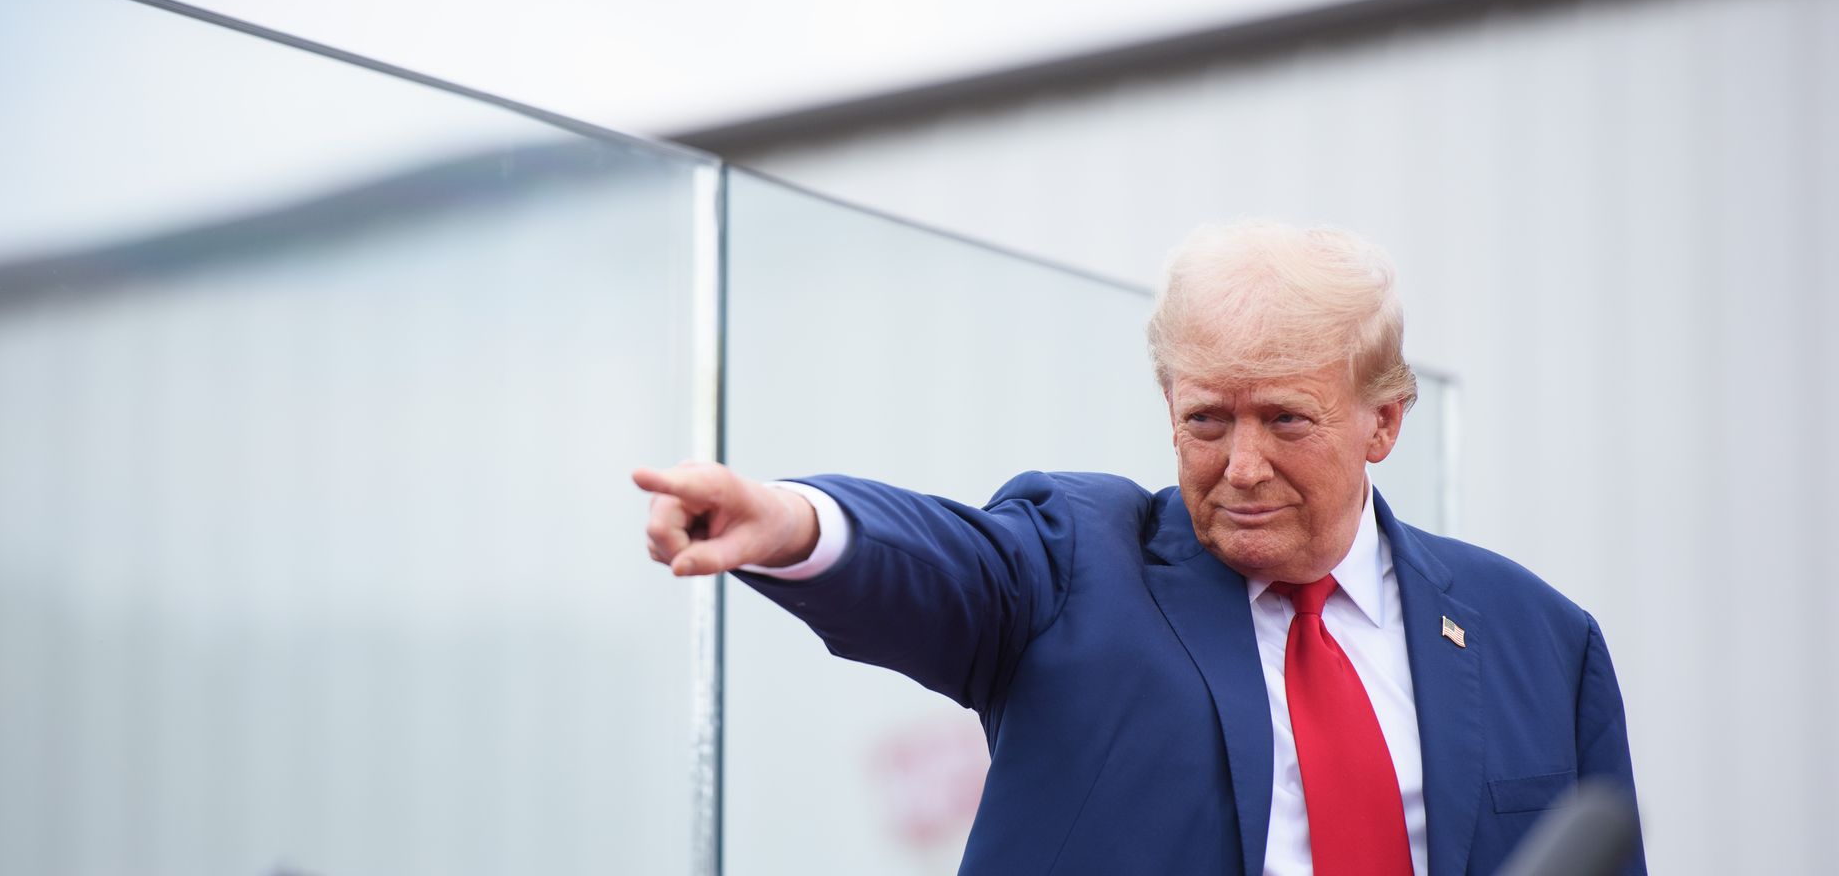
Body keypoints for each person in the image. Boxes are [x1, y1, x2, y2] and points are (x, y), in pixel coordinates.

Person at [634, 223, 1644, 876]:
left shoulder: (1541, 644)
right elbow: (952, 564)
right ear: (1168, 404)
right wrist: (801, 525)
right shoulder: (1079, 564)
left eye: (1285, 421)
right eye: (1208, 419)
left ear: (1383, 422)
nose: (1241, 465)